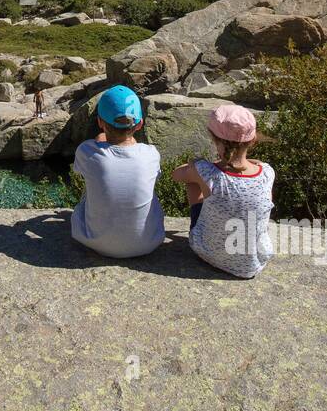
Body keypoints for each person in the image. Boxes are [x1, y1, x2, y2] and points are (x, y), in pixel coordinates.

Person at [171, 104, 274, 278]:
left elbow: (176, 175)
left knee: (193, 182)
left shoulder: (206, 171)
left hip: (208, 254)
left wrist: (194, 164)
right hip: (252, 264)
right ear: (253, 140)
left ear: (214, 139)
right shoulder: (266, 173)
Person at [69, 85, 165, 258]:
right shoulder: (151, 153)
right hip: (148, 243)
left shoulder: (87, 151)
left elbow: (79, 172)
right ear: (139, 124)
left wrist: (100, 142)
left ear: (99, 122)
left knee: (89, 187)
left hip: (94, 242)